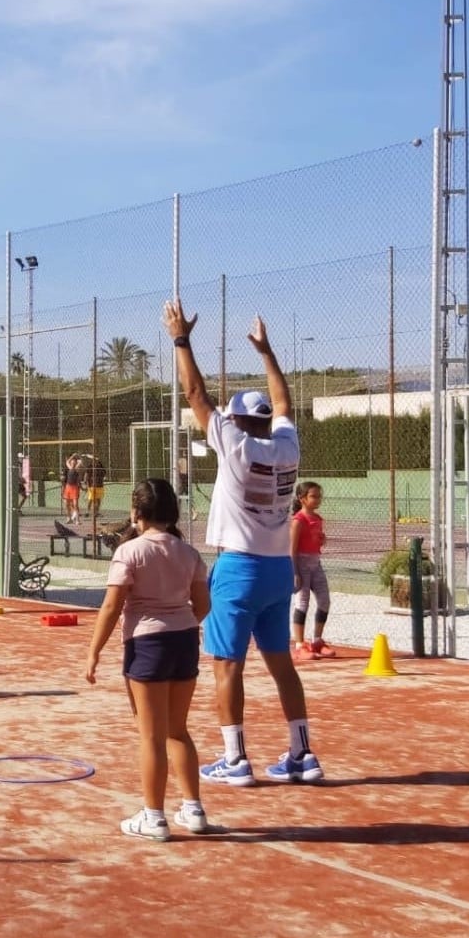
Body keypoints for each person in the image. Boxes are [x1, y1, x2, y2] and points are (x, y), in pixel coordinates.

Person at [163, 300, 322, 786]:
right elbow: (285, 406)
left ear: (237, 420)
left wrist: (181, 339)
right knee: (281, 666)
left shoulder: (234, 445)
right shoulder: (288, 446)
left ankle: (235, 759)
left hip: (240, 569)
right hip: (278, 571)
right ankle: (302, 755)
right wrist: (267, 353)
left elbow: (194, 392)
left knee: (226, 666)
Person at [84, 478, 219, 841]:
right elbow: (203, 605)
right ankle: (194, 809)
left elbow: (112, 606)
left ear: (136, 512)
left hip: (147, 645)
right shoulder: (188, 553)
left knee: (150, 737)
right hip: (185, 641)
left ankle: (154, 817)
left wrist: (93, 653)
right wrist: (180, 621)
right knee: (178, 731)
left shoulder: (129, 552)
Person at [290, 481, 335, 660]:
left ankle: (317, 641)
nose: (317, 500)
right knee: (302, 603)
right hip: (301, 564)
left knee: (324, 601)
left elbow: (316, 541)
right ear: (302, 499)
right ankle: (300, 645)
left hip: (316, 564)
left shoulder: (318, 519)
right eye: (313, 496)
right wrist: (294, 573)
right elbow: (292, 549)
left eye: (319, 496)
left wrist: (321, 539)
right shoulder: (298, 521)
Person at [85, 454, 109, 522]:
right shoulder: (90, 467)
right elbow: (86, 475)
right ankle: (87, 511)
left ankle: (96, 512)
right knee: (90, 499)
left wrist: (103, 478)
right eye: (94, 460)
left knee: (98, 500)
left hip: (99, 486)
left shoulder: (100, 467)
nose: (95, 461)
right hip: (92, 486)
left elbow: (104, 473)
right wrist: (86, 483)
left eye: (96, 460)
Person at [62, 454, 84, 524]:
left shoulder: (76, 469)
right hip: (68, 487)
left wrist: (78, 456)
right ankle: (69, 518)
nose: (73, 464)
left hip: (74, 488)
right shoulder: (69, 468)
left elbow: (81, 462)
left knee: (75, 504)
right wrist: (73, 456)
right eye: (72, 463)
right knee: (67, 504)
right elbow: (67, 462)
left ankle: (77, 520)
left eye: (74, 463)